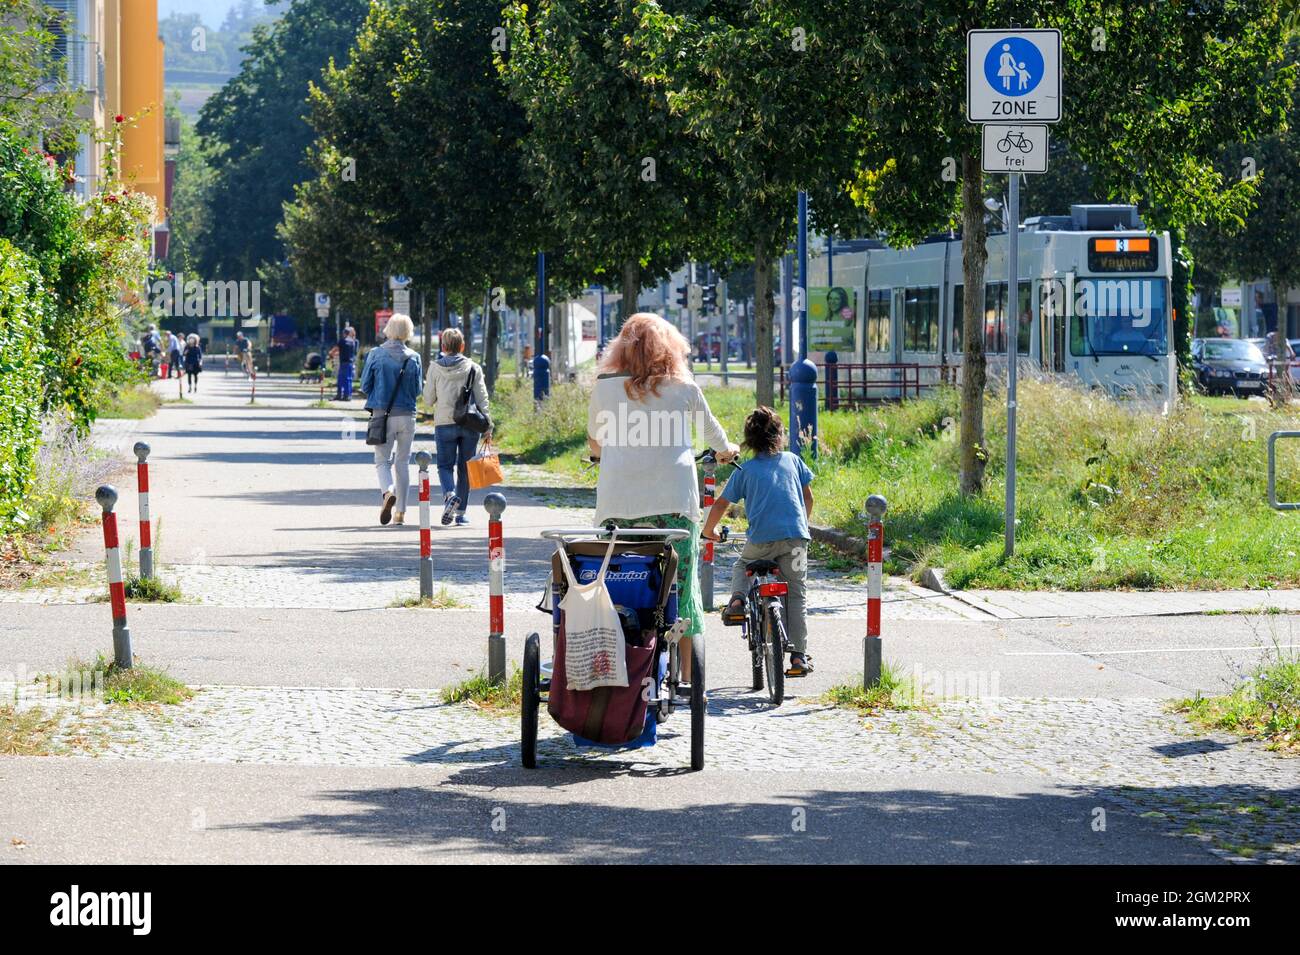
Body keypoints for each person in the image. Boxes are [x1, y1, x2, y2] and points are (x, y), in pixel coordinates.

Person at [587, 312, 738, 678]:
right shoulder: (685, 389)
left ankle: (618, 668)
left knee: (619, 587)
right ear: (671, 350)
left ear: (620, 350)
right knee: (681, 591)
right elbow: (717, 439)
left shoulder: (604, 387)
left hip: (618, 510)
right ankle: (688, 677)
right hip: (675, 508)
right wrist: (727, 451)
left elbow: (596, 443)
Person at [701, 406, 815, 675]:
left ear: (749, 441)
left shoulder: (745, 470)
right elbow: (808, 497)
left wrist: (709, 531)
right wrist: (801, 524)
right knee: (797, 593)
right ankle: (798, 657)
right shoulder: (793, 461)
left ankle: (738, 601)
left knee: (742, 566)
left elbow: (720, 505)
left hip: (761, 540)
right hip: (796, 540)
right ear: (780, 436)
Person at [422, 326, 490, 526]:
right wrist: (488, 424)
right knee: (465, 468)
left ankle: (449, 495)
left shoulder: (434, 367)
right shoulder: (473, 367)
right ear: (462, 346)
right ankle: (461, 514)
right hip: (469, 423)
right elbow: (482, 398)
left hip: (444, 423)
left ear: (443, 346)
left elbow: (427, 399)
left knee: (444, 466)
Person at [361, 313, 423, 526]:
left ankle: (387, 492)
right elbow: (418, 390)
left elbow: (364, 385)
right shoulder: (414, 357)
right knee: (403, 462)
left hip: (382, 415)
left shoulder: (376, 354)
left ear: (388, 329)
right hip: (407, 415)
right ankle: (401, 513)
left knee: (382, 461)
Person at [336, 326, 358, 401]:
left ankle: (340, 395)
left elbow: (336, 349)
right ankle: (348, 395)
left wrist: (330, 355)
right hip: (350, 363)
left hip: (343, 363)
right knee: (348, 379)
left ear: (344, 333)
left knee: (341, 379)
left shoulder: (342, 341)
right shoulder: (353, 342)